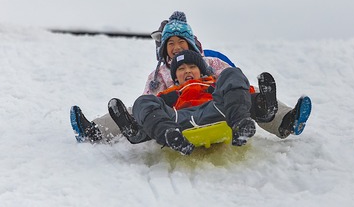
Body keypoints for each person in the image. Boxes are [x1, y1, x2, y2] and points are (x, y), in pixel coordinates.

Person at [70, 11, 312, 145]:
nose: (176, 48)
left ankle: (285, 120)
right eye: (170, 44)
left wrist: (252, 101)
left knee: (251, 94)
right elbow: (149, 103)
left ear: (192, 44)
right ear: (163, 49)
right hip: (179, 113)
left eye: (181, 42)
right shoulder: (159, 76)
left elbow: (236, 86)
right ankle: (96, 132)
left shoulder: (212, 62)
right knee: (138, 107)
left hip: (219, 107)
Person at [116, 50, 263, 155]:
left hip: (216, 111)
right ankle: (167, 134)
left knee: (232, 73)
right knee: (144, 101)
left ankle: (240, 124)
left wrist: (260, 102)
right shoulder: (170, 92)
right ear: (175, 77)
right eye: (181, 69)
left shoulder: (214, 85)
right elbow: (151, 109)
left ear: (201, 71)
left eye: (192, 67)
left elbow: (242, 92)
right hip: (179, 120)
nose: (187, 71)